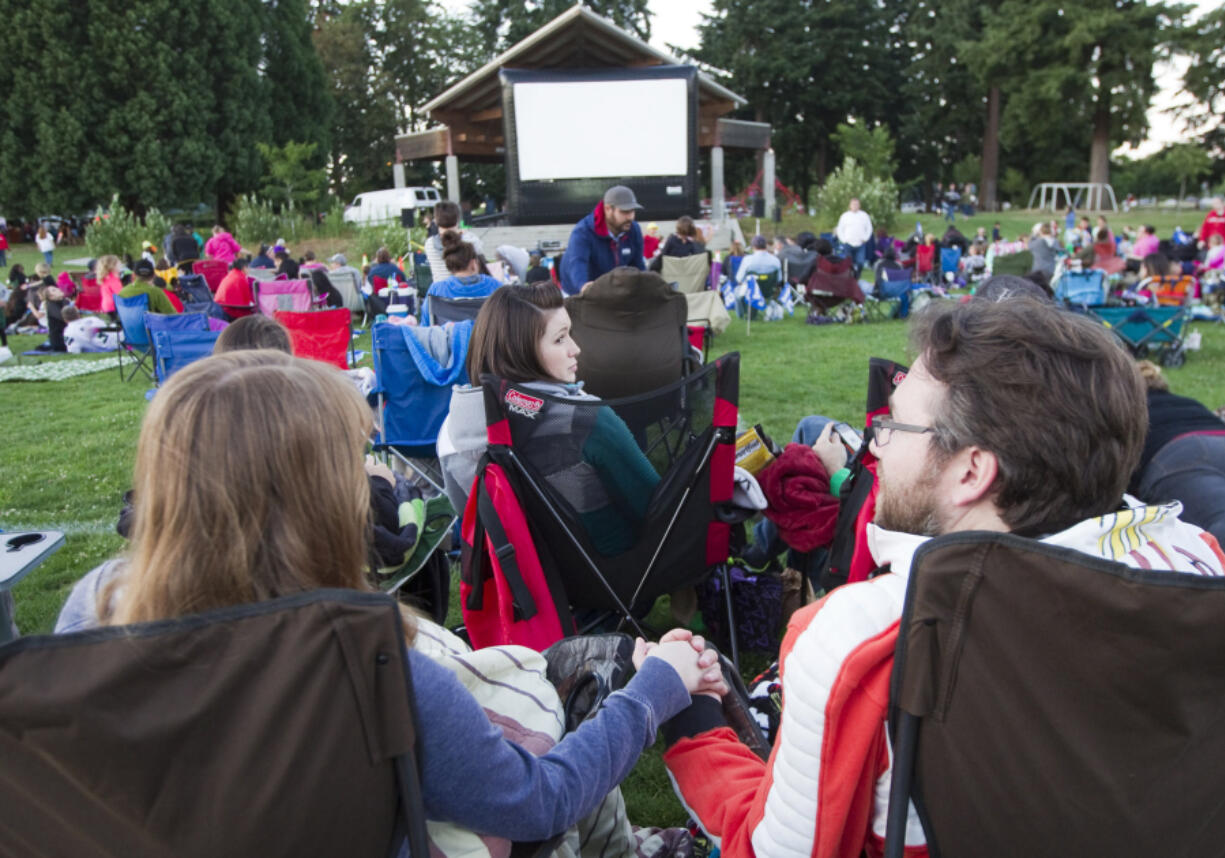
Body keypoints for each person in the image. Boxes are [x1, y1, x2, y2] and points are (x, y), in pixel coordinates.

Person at [53, 348, 723, 853]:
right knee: (576, 705)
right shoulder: (368, 669)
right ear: (319, 498)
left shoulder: (91, 614)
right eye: (356, 460)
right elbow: (538, 802)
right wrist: (655, 688)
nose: (370, 476)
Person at [660, 297, 1225, 858]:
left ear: (972, 471)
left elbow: (772, 852)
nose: (875, 448)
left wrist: (692, 717)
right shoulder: (1197, 565)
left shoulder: (866, 637)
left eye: (894, 426)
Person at [437, 282, 660, 556]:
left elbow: (475, 523)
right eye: (560, 338)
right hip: (616, 577)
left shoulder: (451, 432)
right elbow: (657, 508)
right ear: (519, 351)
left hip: (523, 586)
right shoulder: (588, 420)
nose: (575, 348)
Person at [1130, 361, 1225, 545]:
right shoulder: (1188, 402)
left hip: (1180, 456)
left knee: (1219, 524)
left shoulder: (1127, 409)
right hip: (1220, 439)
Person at [560, 185, 645, 296]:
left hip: (611, 291)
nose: (630, 217)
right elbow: (578, 262)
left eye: (632, 211)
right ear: (608, 209)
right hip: (577, 291)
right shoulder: (583, 231)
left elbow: (638, 265)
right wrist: (583, 285)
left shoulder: (634, 230)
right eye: (625, 212)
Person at [422, 233, 501, 324]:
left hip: (450, 337)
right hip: (487, 337)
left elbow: (426, 325)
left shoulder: (436, 290)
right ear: (473, 263)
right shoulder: (495, 287)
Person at [425, 200, 485, 283]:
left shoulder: (429, 244)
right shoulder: (470, 240)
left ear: (435, 220)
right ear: (458, 219)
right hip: (467, 292)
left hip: (440, 292)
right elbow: (481, 262)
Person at [835, 198, 873, 274]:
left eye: (857, 204)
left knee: (860, 263)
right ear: (850, 205)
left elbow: (869, 228)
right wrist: (844, 239)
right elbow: (840, 229)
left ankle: (857, 276)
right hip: (848, 243)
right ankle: (849, 277)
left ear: (859, 205)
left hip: (860, 243)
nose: (855, 206)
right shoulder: (845, 216)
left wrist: (865, 238)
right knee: (847, 263)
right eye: (853, 204)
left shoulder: (864, 215)